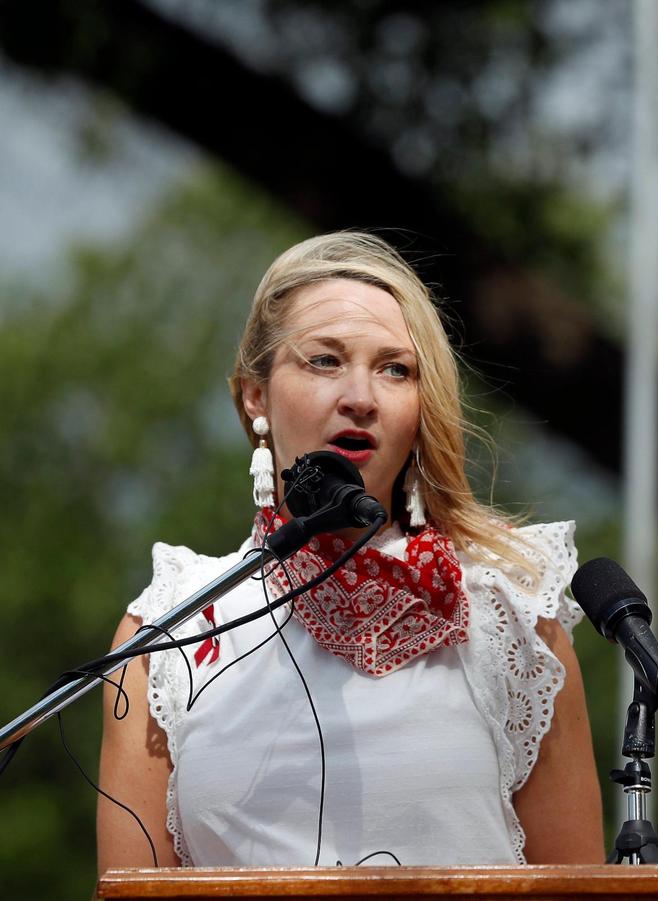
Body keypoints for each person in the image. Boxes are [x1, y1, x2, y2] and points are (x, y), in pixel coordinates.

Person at [96, 232, 604, 870]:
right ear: (256, 394)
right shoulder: (169, 631)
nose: (361, 396)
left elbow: (576, 885)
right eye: (325, 361)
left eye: (396, 368)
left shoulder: (514, 615)